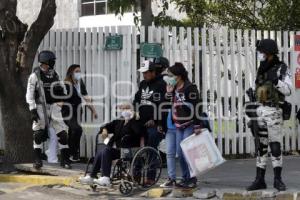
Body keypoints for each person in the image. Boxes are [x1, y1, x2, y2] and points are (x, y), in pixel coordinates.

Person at [246, 39, 292, 191]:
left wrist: (276, 81)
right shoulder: (261, 68)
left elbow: (289, 90)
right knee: (261, 146)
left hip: (274, 110)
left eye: (261, 52)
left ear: (268, 52)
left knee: (275, 146)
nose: (260, 54)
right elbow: (257, 87)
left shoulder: (282, 68)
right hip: (260, 110)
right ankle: (260, 179)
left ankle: (277, 180)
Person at [26, 50, 72, 169]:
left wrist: (62, 100)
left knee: (63, 134)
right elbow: (29, 94)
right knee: (38, 134)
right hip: (41, 106)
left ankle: (65, 160)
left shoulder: (54, 74)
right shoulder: (35, 76)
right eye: (52, 60)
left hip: (54, 106)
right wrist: (33, 109)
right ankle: (37, 159)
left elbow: (62, 89)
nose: (53, 62)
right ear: (46, 60)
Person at [79, 105, 144, 186]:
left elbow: (139, 132)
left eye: (127, 108)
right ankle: (92, 176)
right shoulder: (119, 122)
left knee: (106, 150)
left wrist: (132, 119)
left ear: (132, 110)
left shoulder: (136, 121)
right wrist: (104, 130)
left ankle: (105, 178)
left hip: (130, 150)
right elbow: (105, 126)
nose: (124, 110)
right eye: (122, 108)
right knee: (102, 150)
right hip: (120, 150)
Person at [163, 62, 203, 188]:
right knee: (180, 153)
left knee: (187, 152)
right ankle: (186, 177)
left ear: (178, 76)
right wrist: (169, 93)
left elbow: (197, 106)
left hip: (189, 124)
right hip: (178, 124)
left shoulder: (190, 88)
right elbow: (170, 103)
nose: (168, 77)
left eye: (171, 75)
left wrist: (197, 125)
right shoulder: (174, 88)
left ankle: (192, 178)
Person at [133, 60, 167, 184]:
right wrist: (135, 111)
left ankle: (150, 177)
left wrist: (156, 120)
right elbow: (136, 99)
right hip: (141, 122)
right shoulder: (142, 84)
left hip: (156, 124)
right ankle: (135, 174)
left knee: (151, 144)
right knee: (134, 144)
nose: (144, 75)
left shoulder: (162, 84)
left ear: (153, 72)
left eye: (146, 73)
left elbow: (165, 105)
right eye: (143, 73)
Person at [63, 64, 98, 162]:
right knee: (77, 129)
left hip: (78, 111)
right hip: (68, 112)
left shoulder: (80, 83)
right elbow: (61, 98)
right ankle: (73, 152)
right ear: (71, 73)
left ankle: (71, 155)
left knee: (72, 131)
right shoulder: (66, 84)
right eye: (76, 71)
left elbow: (86, 98)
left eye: (79, 71)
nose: (79, 73)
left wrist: (93, 111)